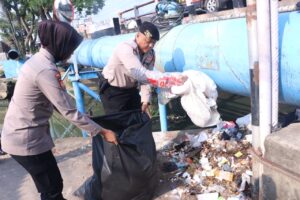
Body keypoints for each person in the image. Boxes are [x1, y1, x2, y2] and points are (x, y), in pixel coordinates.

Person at [1, 20, 117, 200]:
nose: (71, 53)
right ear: (60, 44)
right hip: (25, 139)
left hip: (18, 134)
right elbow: (68, 112)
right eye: (70, 48)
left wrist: (85, 118)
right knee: (52, 188)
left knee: (50, 185)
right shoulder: (45, 70)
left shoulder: (37, 62)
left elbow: (56, 101)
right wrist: (102, 131)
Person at [99, 21, 187, 114]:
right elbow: (140, 74)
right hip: (113, 90)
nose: (151, 45)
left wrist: (145, 100)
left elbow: (146, 80)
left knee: (138, 119)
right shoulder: (126, 48)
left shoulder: (151, 54)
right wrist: (170, 79)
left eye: (153, 43)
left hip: (131, 89)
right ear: (137, 36)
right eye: (148, 41)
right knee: (118, 123)